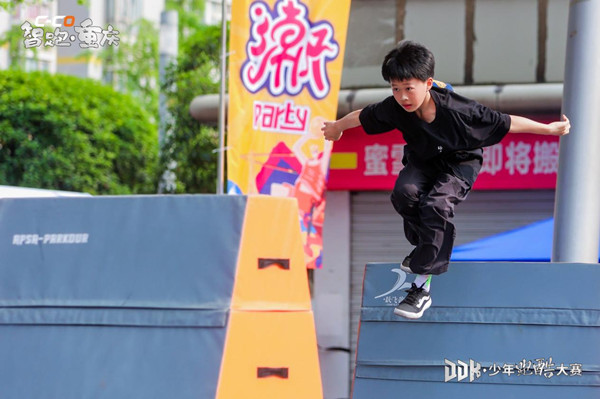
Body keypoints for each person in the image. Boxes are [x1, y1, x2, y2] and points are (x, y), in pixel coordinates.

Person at [321, 40, 570, 319]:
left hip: (460, 162)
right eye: (396, 89)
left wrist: (548, 129)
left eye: (409, 88)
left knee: (436, 206)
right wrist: (337, 127)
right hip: (423, 160)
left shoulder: (460, 110)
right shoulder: (394, 108)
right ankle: (426, 245)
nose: (403, 97)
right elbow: (362, 116)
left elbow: (506, 122)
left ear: (428, 83)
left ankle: (420, 290)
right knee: (404, 194)